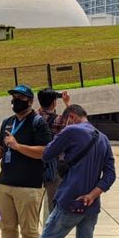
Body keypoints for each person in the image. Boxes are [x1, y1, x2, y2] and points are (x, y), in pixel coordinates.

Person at [38, 104, 116, 238]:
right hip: (91, 205)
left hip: (69, 201)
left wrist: (60, 140)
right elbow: (110, 175)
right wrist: (92, 195)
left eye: (65, 122)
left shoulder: (71, 131)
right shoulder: (104, 139)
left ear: (71, 117)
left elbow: (46, 154)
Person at [0, 84, 52, 238]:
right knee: (7, 228)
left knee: (29, 231)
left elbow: (44, 151)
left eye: (20, 98)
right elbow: (0, 147)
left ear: (29, 101)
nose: (15, 101)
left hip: (29, 186)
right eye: (13, 97)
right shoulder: (7, 122)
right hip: (5, 184)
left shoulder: (38, 123)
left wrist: (18, 146)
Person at [37, 87, 71, 219]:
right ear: (53, 102)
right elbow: (77, 121)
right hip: (53, 166)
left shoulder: (33, 117)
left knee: (34, 207)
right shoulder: (60, 120)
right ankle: (48, 234)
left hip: (34, 164)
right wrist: (67, 103)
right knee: (53, 205)